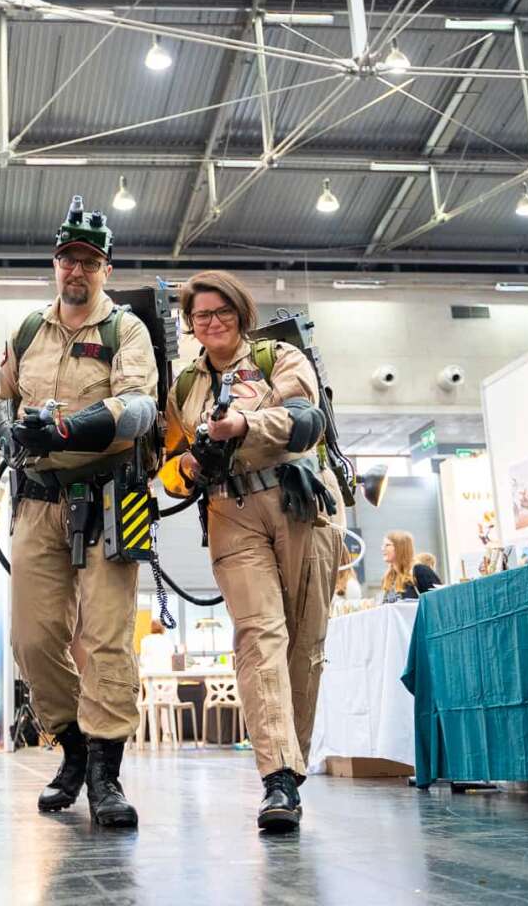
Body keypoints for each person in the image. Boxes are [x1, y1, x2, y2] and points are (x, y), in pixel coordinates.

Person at [0, 197, 157, 829]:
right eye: (66, 259)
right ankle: (74, 745)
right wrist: (8, 432)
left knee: (109, 637)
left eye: (88, 260)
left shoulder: (126, 330)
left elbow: (137, 410)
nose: (75, 270)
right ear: (55, 265)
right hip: (36, 503)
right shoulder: (28, 330)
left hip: (114, 498)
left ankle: (106, 774)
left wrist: (65, 429)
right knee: (31, 639)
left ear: (104, 268)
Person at [157, 270, 345, 833]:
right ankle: (278, 779)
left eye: (222, 313)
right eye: (200, 316)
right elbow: (167, 467)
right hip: (229, 513)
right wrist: (186, 467)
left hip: (298, 502)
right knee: (258, 637)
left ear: (241, 315)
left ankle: (292, 765)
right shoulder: (185, 388)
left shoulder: (279, 358)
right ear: (190, 325)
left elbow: (304, 422)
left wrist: (243, 423)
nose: (211, 323)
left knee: (303, 643)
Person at [379, 531, 418, 602]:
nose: (382, 549)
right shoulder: (389, 577)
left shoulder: (418, 571)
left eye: (387, 545)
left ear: (400, 548)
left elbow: (438, 600)